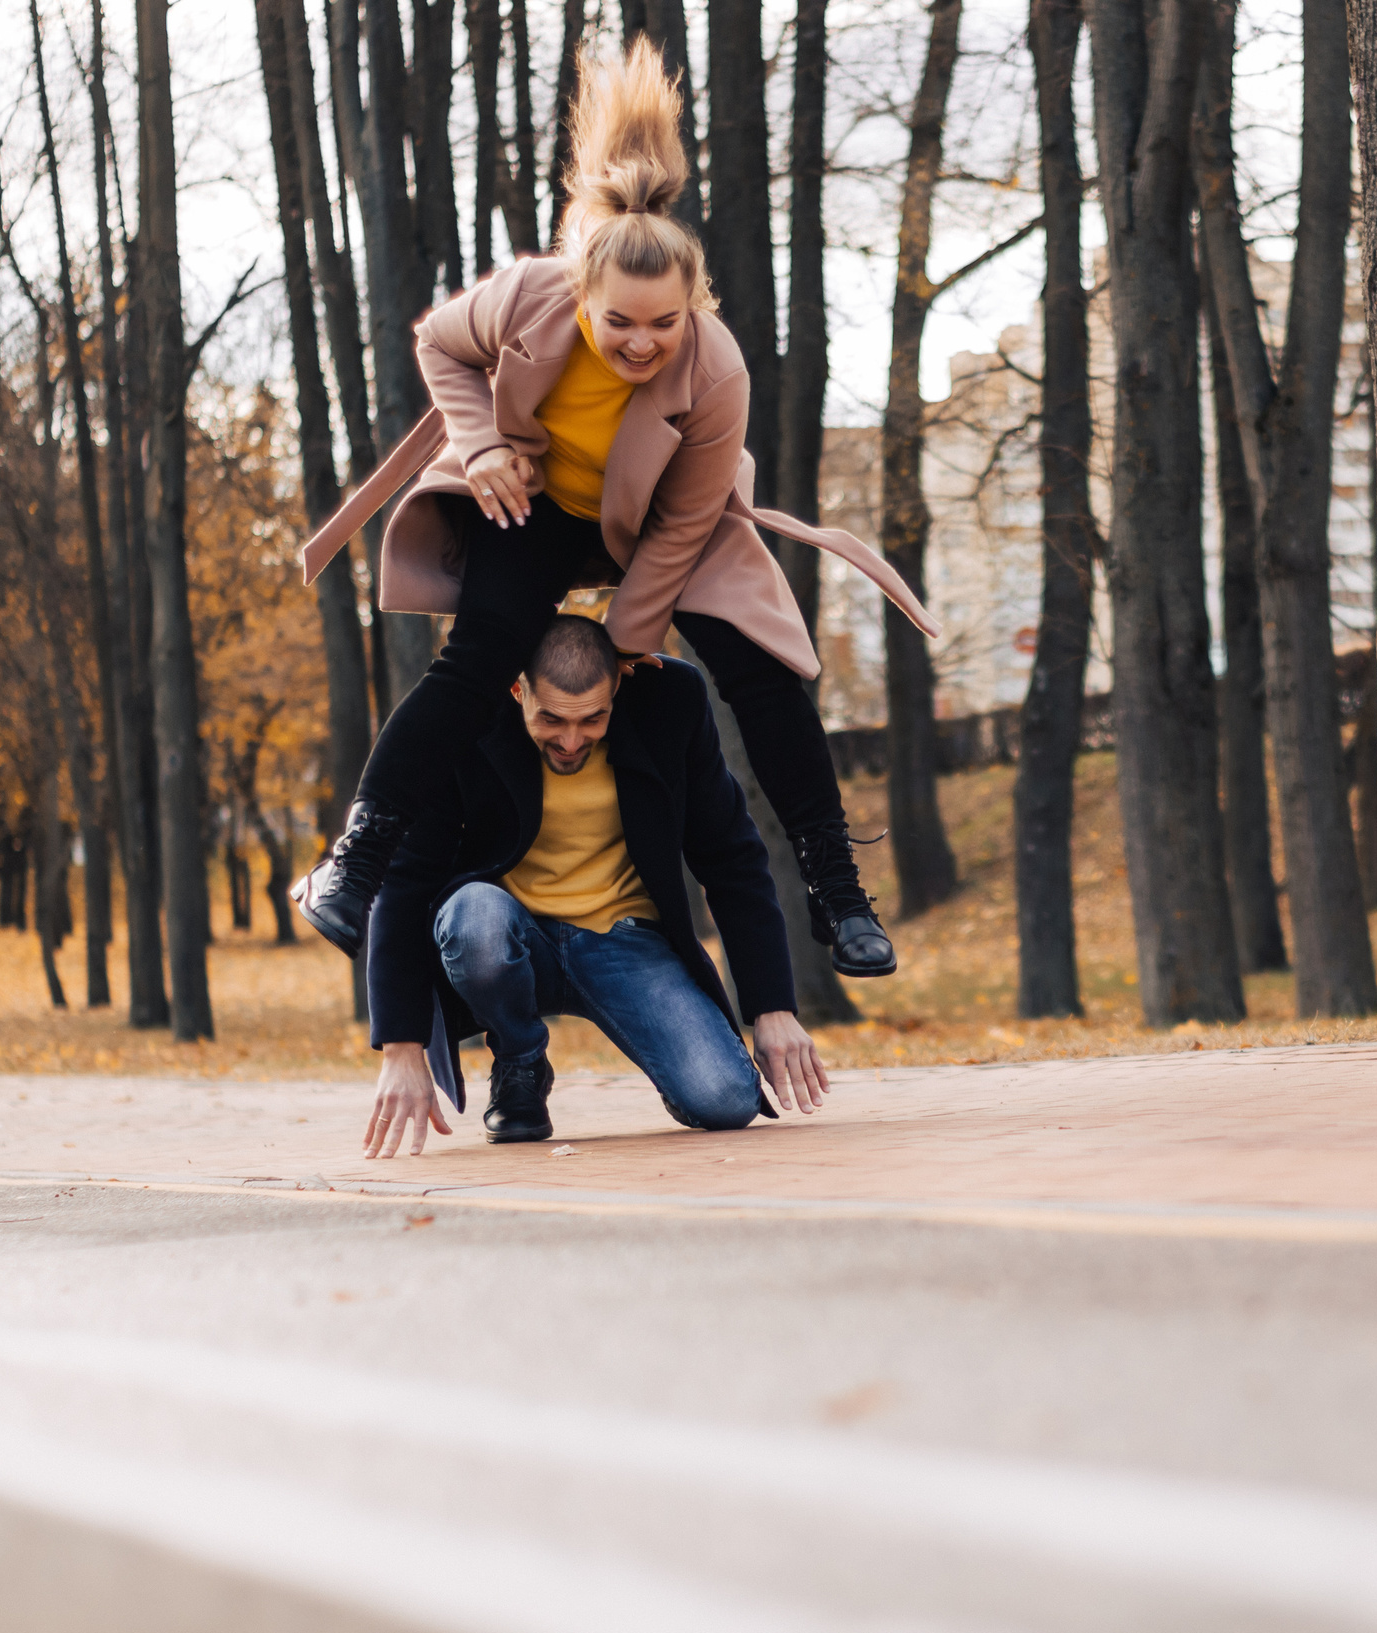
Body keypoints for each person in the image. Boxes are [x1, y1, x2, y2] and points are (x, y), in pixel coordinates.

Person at [294, 38, 932, 985]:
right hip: (542, 501)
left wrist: (630, 634)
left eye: (664, 323)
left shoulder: (715, 370)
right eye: (618, 322)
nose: (641, 342)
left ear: (694, 307)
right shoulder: (528, 298)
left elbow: (680, 529)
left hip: (673, 514)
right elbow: (439, 345)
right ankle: (357, 859)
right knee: (477, 661)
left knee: (762, 675)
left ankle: (838, 891)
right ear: (580, 296)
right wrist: (483, 445)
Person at [362, 615, 824, 1159]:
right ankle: (519, 1060)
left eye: (593, 719)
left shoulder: (670, 700)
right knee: (475, 916)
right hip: (510, 935)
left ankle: (678, 1074)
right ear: (517, 688)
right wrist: (400, 1044)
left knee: (725, 1101)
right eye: (551, 719)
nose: (571, 740)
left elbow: (731, 857)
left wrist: (772, 1006)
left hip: (625, 940)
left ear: (619, 686)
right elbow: (406, 874)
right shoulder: (466, 712)